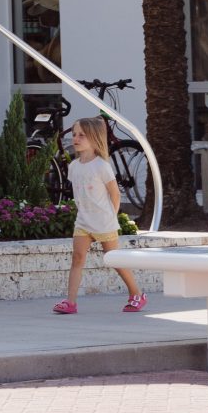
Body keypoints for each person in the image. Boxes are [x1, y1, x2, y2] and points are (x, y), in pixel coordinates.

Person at [52, 116, 145, 315]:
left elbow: (115, 193)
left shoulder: (102, 166)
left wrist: (111, 215)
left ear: (94, 138)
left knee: (114, 260)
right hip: (83, 221)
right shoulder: (74, 166)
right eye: (74, 134)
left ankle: (137, 293)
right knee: (77, 258)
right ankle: (70, 302)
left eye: (82, 135)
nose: (76, 138)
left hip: (104, 222)